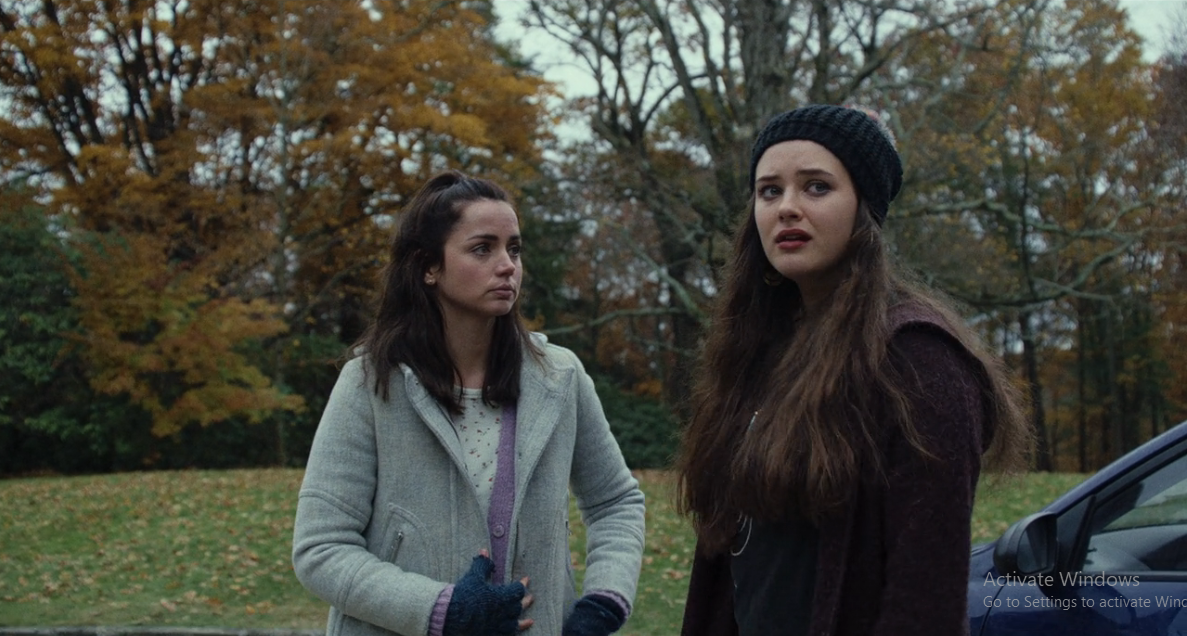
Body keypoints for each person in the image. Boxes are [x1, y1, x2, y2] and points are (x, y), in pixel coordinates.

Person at [675, 104, 1033, 636]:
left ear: (864, 207)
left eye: (816, 187)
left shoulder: (919, 360)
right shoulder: (759, 350)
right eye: (769, 191)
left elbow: (925, 602)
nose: (787, 208)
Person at [292, 171, 646, 636]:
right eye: (483, 249)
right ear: (429, 267)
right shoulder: (370, 383)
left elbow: (616, 502)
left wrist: (602, 605)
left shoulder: (560, 378)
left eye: (514, 249)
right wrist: (441, 609)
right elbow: (320, 548)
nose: (507, 266)